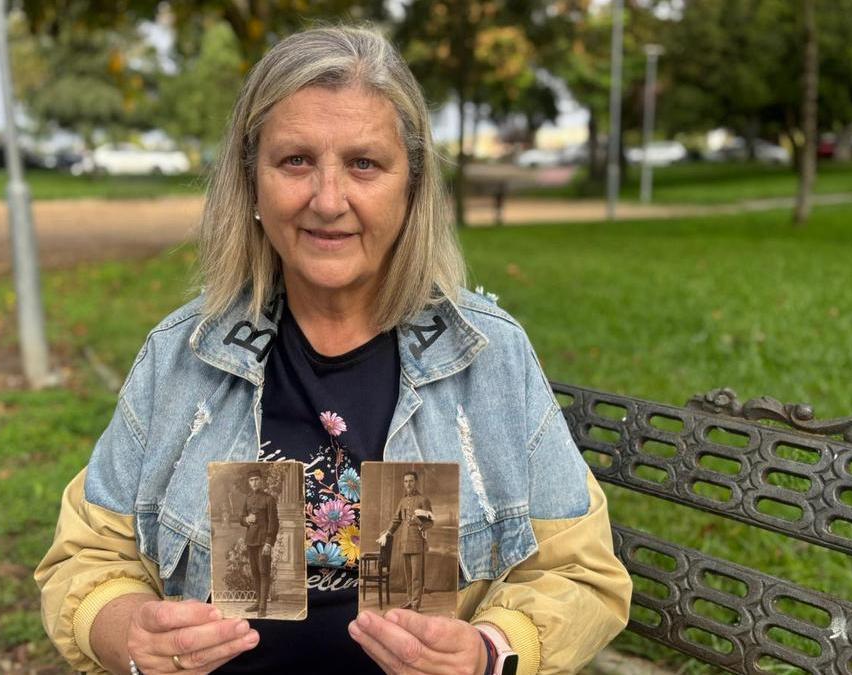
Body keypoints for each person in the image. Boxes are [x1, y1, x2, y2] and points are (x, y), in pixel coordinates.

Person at [35, 26, 631, 675]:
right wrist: (128, 634)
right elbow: (87, 559)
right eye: (294, 161)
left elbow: (580, 572)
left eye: (364, 164)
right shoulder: (185, 356)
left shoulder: (486, 356)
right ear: (251, 181)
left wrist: (488, 652)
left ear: (412, 186)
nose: (327, 199)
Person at [378, 471, 433, 611]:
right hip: (404, 541)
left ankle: (415, 604)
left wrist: (419, 521)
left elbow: (430, 522)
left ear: (416, 482)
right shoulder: (402, 501)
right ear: (404, 484)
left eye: (411, 481)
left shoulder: (423, 500)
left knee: (416, 575)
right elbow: (396, 520)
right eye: (406, 481)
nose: (408, 484)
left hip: (417, 542)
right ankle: (410, 599)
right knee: (408, 575)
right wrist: (388, 533)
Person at [239, 469, 278, 616]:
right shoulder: (247, 498)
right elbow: (241, 518)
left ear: (261, 480)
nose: (254, 482)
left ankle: (263, 607)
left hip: (263, 541)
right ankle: (257, 602)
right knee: (255, 572)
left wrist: (269, 543)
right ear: (249, 483)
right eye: (251, 480)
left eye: (256, 479)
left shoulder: (269, 499)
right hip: (251, 540)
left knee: (264, 572)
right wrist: (246, 519)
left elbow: (274, 524)